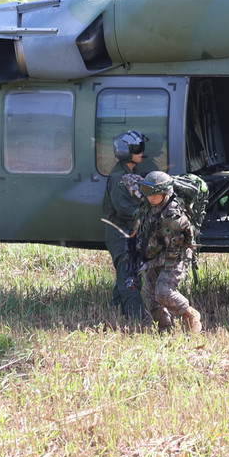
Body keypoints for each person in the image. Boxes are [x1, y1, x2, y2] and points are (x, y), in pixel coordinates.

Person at [134, 171, 202, 333]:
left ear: (164, 193)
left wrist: (145, 255)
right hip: (156, 255)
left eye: (154, 194)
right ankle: (165, 331)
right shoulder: (151, 204)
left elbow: (171, 247)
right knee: (152, 299)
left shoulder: (172, 216)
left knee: (164, 292)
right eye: (147, 192)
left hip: (174, 256)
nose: (149, 197)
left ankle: (190, 315)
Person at [102, 130, 149, 321]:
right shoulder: (119, 178)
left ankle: (116, 309)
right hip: (120, 233)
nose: (141, 152)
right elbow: (124, 209)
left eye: (141, 148)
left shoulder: (131, 172)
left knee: (126, 273)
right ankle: (136, 318)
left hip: (128, 232)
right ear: (125, 152)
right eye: (137, 149)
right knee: (129, 276)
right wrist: (149, 214)